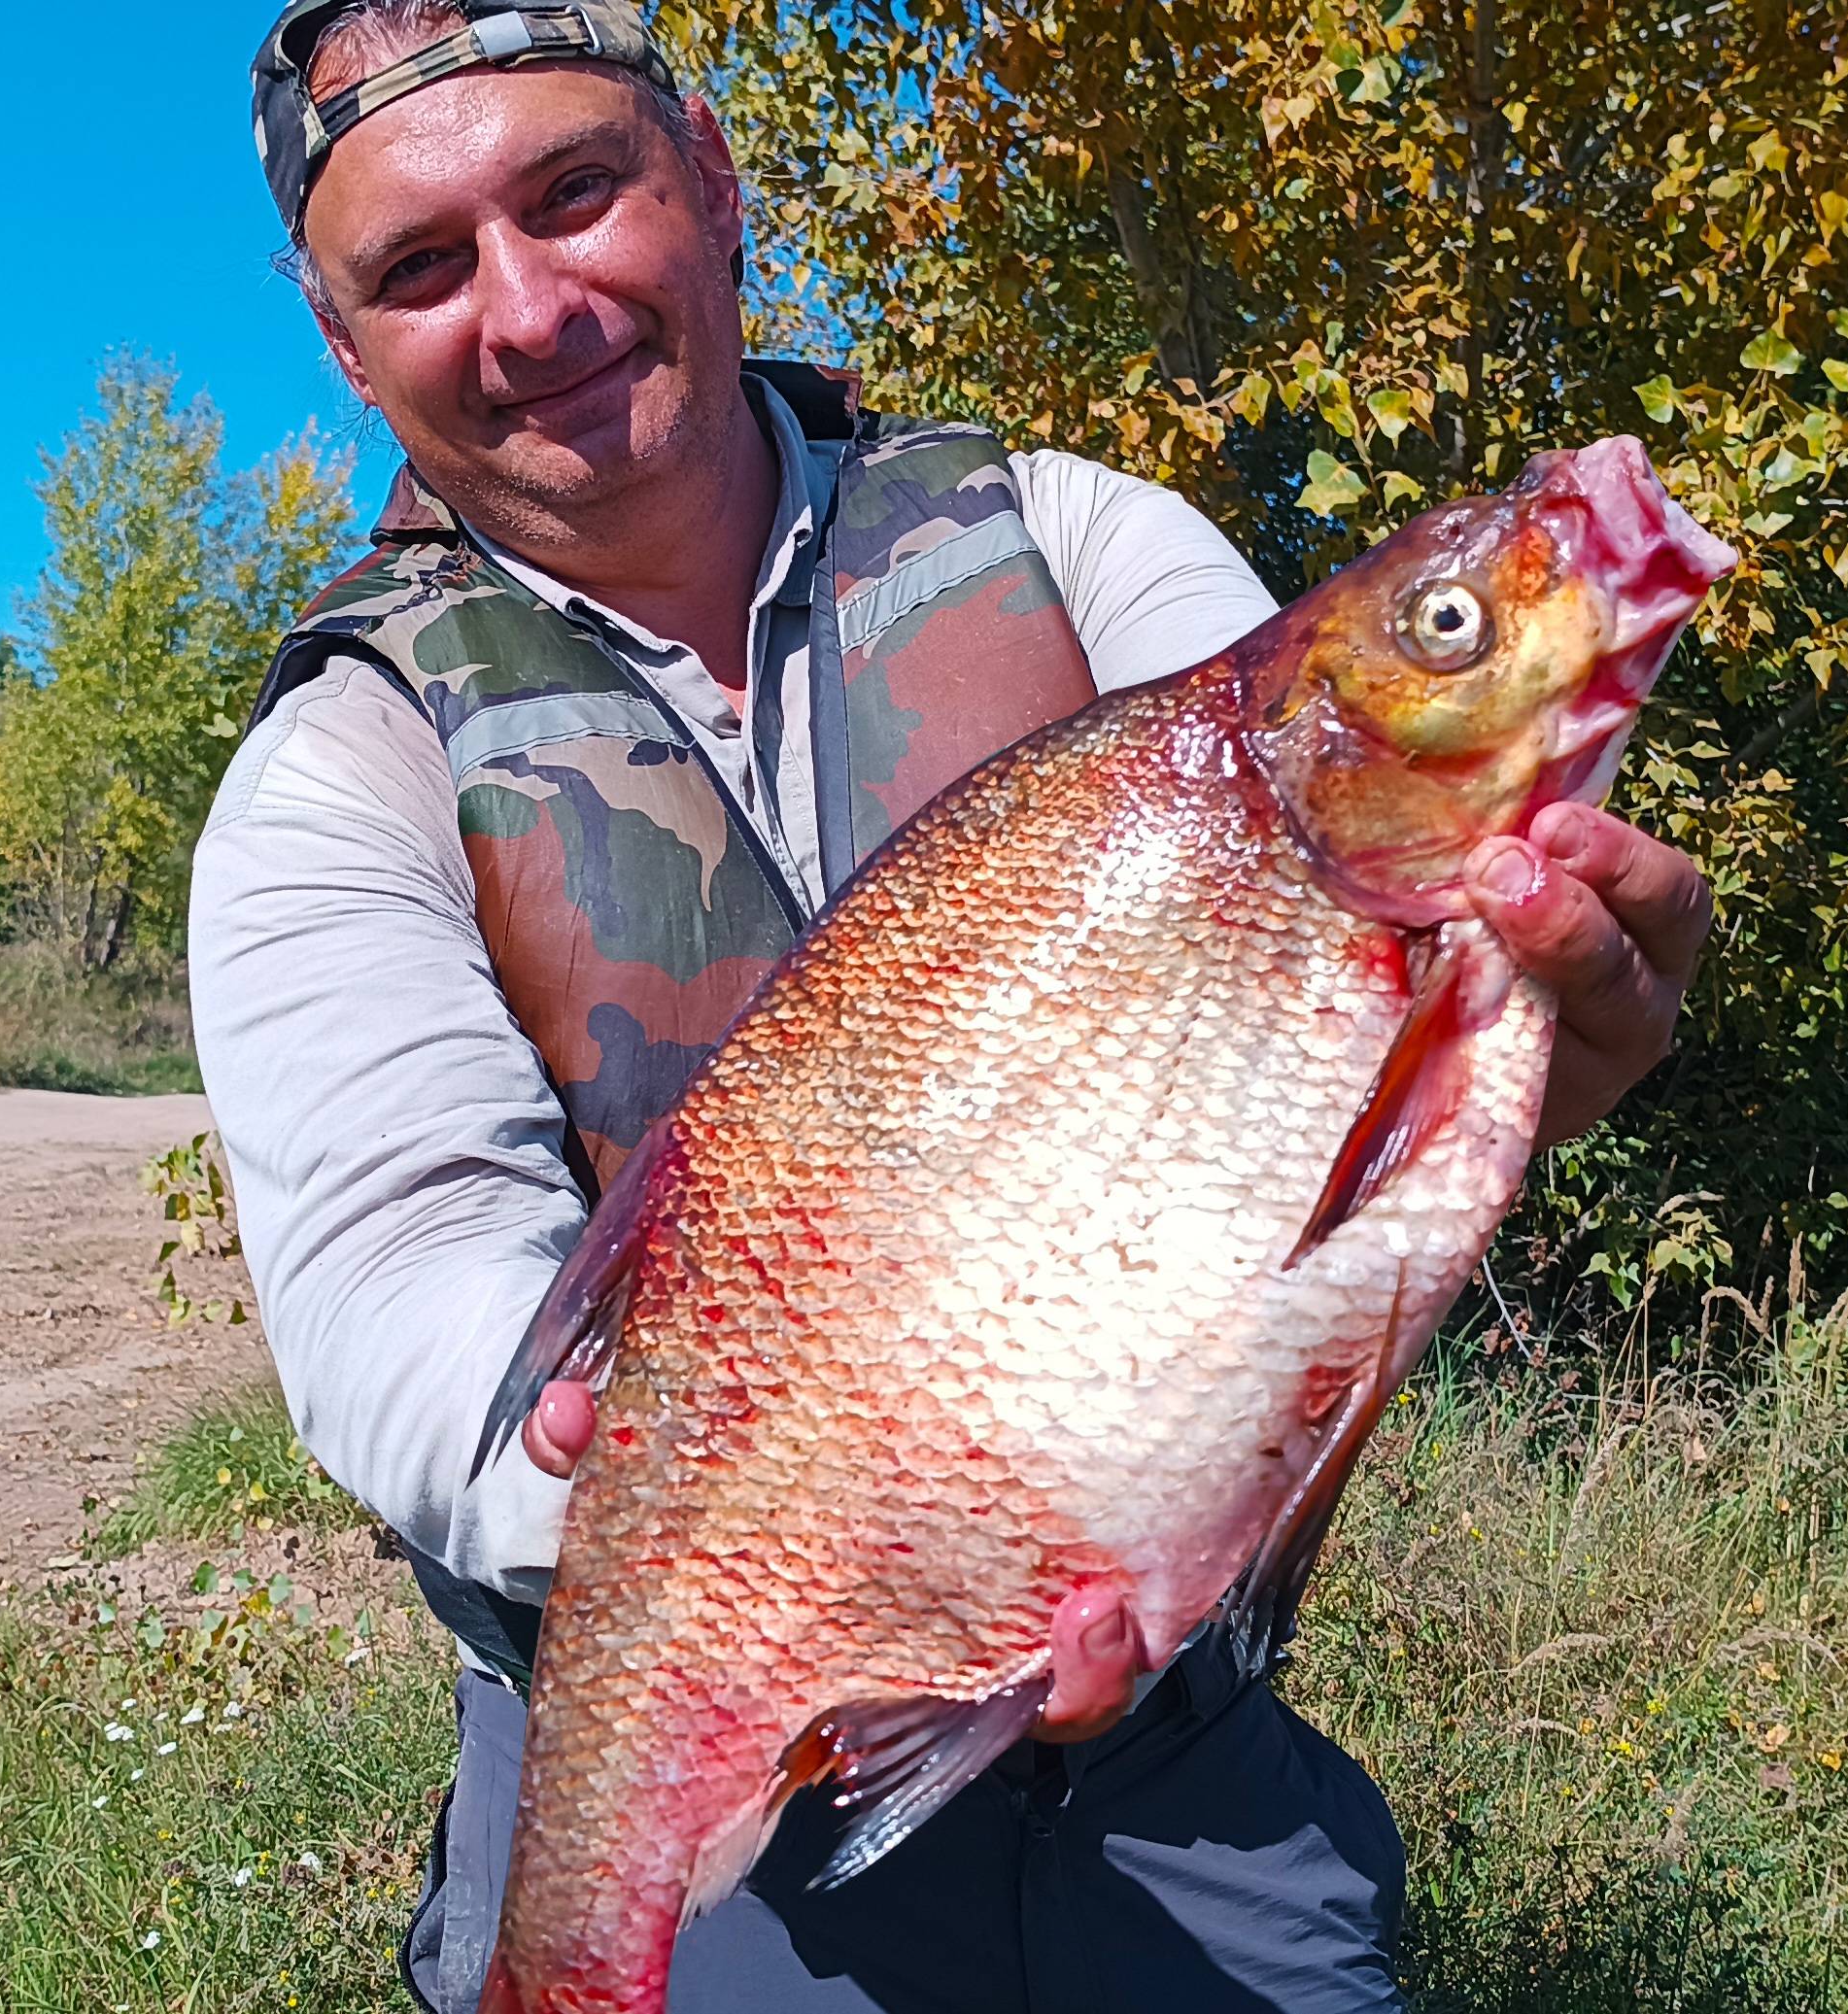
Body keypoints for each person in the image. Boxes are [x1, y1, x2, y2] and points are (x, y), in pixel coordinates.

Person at [189, 3, 1714, 2005]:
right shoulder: (341, 768)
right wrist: (762, 1512)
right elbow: (402, 1297)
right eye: (420, 263)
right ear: (346, 342)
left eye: (574, 192)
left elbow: (1294, 1132)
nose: (527, 303)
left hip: (1165, 1746)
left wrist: (1530, 1062)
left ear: (713, 182)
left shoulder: (1077, 544)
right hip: (684, 1751)